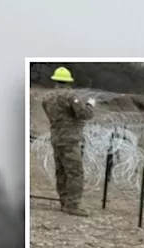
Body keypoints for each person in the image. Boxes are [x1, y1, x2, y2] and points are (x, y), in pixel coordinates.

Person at [41, 66, 96, 216]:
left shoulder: (47, 97)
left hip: (56, 137)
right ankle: (72, 205)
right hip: (70, 139)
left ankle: (64, 201)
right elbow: (83, 114)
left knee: (61, 171)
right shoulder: (71, 96)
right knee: (75, 172)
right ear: (68, 82)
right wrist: (90, 105)